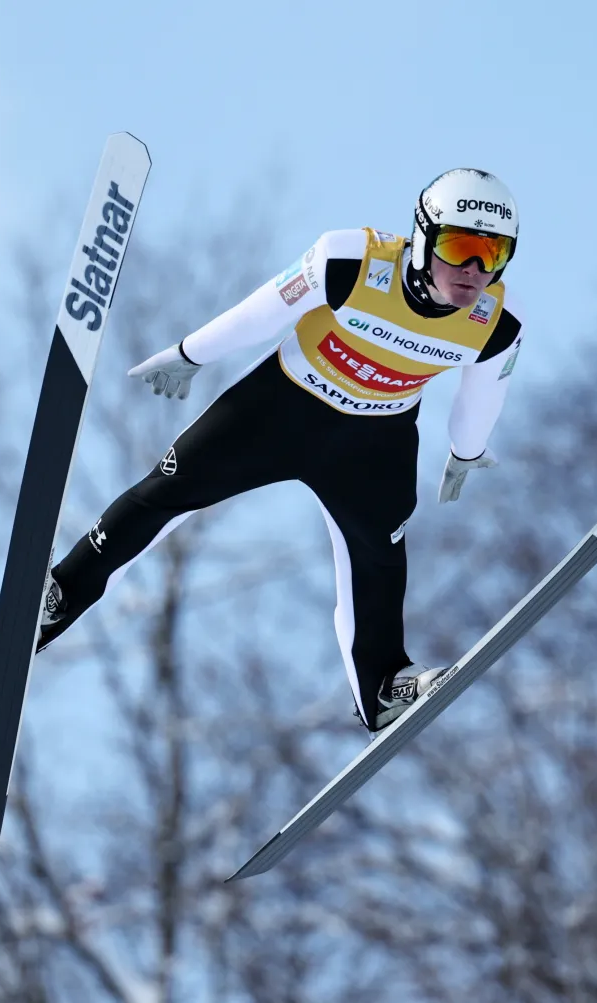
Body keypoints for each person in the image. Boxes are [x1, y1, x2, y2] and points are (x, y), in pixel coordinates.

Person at [37, 168, 526, 734]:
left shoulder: (495, 326)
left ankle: (383, 686)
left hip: (375, 441)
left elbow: (483, 396)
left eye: (492, 254)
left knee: (379, 558)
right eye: (460, 247)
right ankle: (57, 596)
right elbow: (265, 310)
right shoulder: (352, 262)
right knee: (167, 491)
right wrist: (190, 354)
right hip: (280, 409)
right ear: (422, 239)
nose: (474, 270)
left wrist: (466, 453)